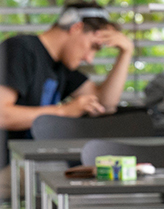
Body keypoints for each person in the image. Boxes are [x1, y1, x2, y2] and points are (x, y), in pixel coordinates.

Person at [0, 1, 133, 139]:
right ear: (76, 27)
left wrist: (126, 53)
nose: (89, 59)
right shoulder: (20, 50)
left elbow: (104, 104)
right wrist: (64, 111)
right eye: (92, 46)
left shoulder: (62, 66)